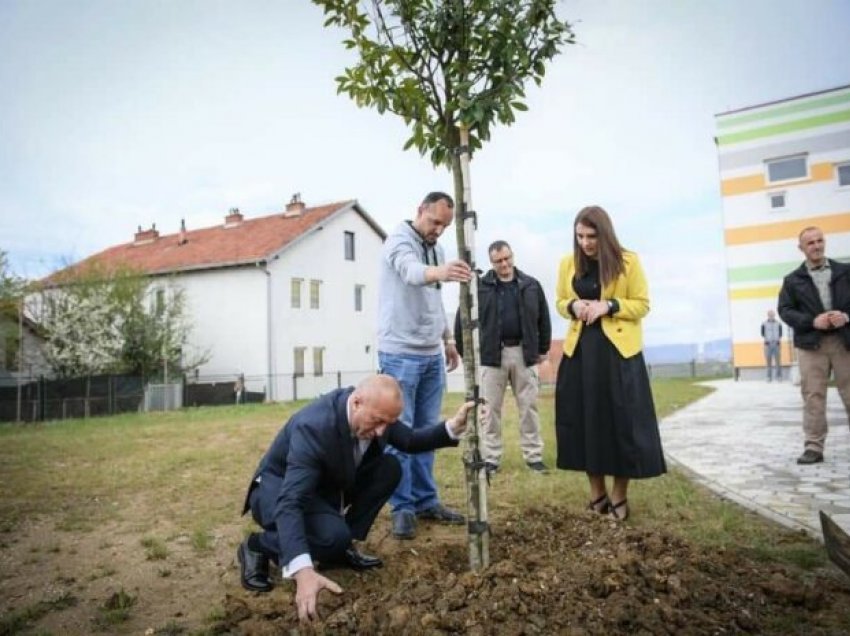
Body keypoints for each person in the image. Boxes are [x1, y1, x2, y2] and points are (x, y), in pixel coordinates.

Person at [237, 374, 477, 621]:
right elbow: (291, 502)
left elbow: (409, 440)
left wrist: (453, 426)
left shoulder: (376, 411)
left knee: (390, 467)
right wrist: (303, 570)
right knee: (331, 537)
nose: (382, 431)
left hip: (323, 488)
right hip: (277, 493)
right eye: (378, 422)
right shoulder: (315, 427)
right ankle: (258, 546)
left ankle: (340, 547)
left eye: (389, 423)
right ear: (356, 403)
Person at [553, 205, 666, 521]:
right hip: (581, 356)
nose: (586, 243)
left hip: (618, 356)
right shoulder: (567, 263)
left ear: (605, 233)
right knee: (587, 425)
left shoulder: (628, 262)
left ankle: (619, 497)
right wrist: (574, 305)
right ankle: (597, 496)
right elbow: (561, 301)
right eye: (580, 236)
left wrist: (609, 305)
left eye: (592, 236)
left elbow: (642, 305)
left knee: (621, 427)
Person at [377, 191, 472, 539]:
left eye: (445, 226)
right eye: (435, 223)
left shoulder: (439, 249)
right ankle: (402, 507)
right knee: (399, 433)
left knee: (428, 431)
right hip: (399, 353)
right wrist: (442, 271)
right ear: (420, 210)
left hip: (430, 352)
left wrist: (447, 339)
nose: (439, 231)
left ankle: (425, 500)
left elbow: (434, 298)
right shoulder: (398, 241)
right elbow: (413, 272)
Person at [454, 240, 551, 475]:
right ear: (492, 262)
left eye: (507, 258)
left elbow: (544, 319)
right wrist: (463, 351)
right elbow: (462, 319)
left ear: (512, 256)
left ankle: (534, 456)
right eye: (498, 261)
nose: (504, 264)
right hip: (492, 355)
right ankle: (491, 459)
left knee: (529, 406)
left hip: (524, 353)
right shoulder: (479, 286)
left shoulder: (531, 285)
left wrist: (543, 348)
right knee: (490, 410)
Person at [777, 226, 850, 465]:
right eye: (810, 243)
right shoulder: (792, 280)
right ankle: (813, 447)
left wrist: (846, 316)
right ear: (801, 248)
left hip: (844, 341)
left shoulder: (845, 271)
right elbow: (785, 311)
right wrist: (811, 322)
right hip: (811, 345)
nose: (816, 246)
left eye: (820, 240)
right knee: (813, 396)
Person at [761, 310, 783, 382]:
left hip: (776, 344)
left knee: (778, 362)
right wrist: (768, 340)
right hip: (767, 344)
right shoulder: (764, 324)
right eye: (770, 315)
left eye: (772, 315)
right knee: (768, 362)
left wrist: (777, 340)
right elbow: (762, 334)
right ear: (768, 315)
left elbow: (780, 333)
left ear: (774, 315)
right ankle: (768, 377)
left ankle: (779, 377)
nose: (771, 316)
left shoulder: (778, 323)